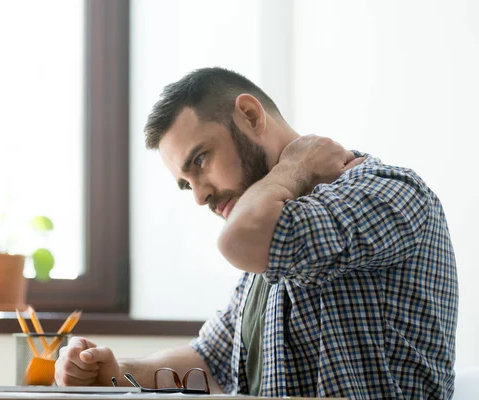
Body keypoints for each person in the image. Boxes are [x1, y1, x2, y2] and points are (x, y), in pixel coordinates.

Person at [55, 67, 458, 399]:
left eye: (200, 160)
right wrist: (113, 372)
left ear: (249, 115)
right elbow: (211, 361)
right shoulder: (265, 236)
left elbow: (240, 239)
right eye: (185, 183)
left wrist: (293, 166)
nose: (200, 196)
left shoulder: (385, 190)